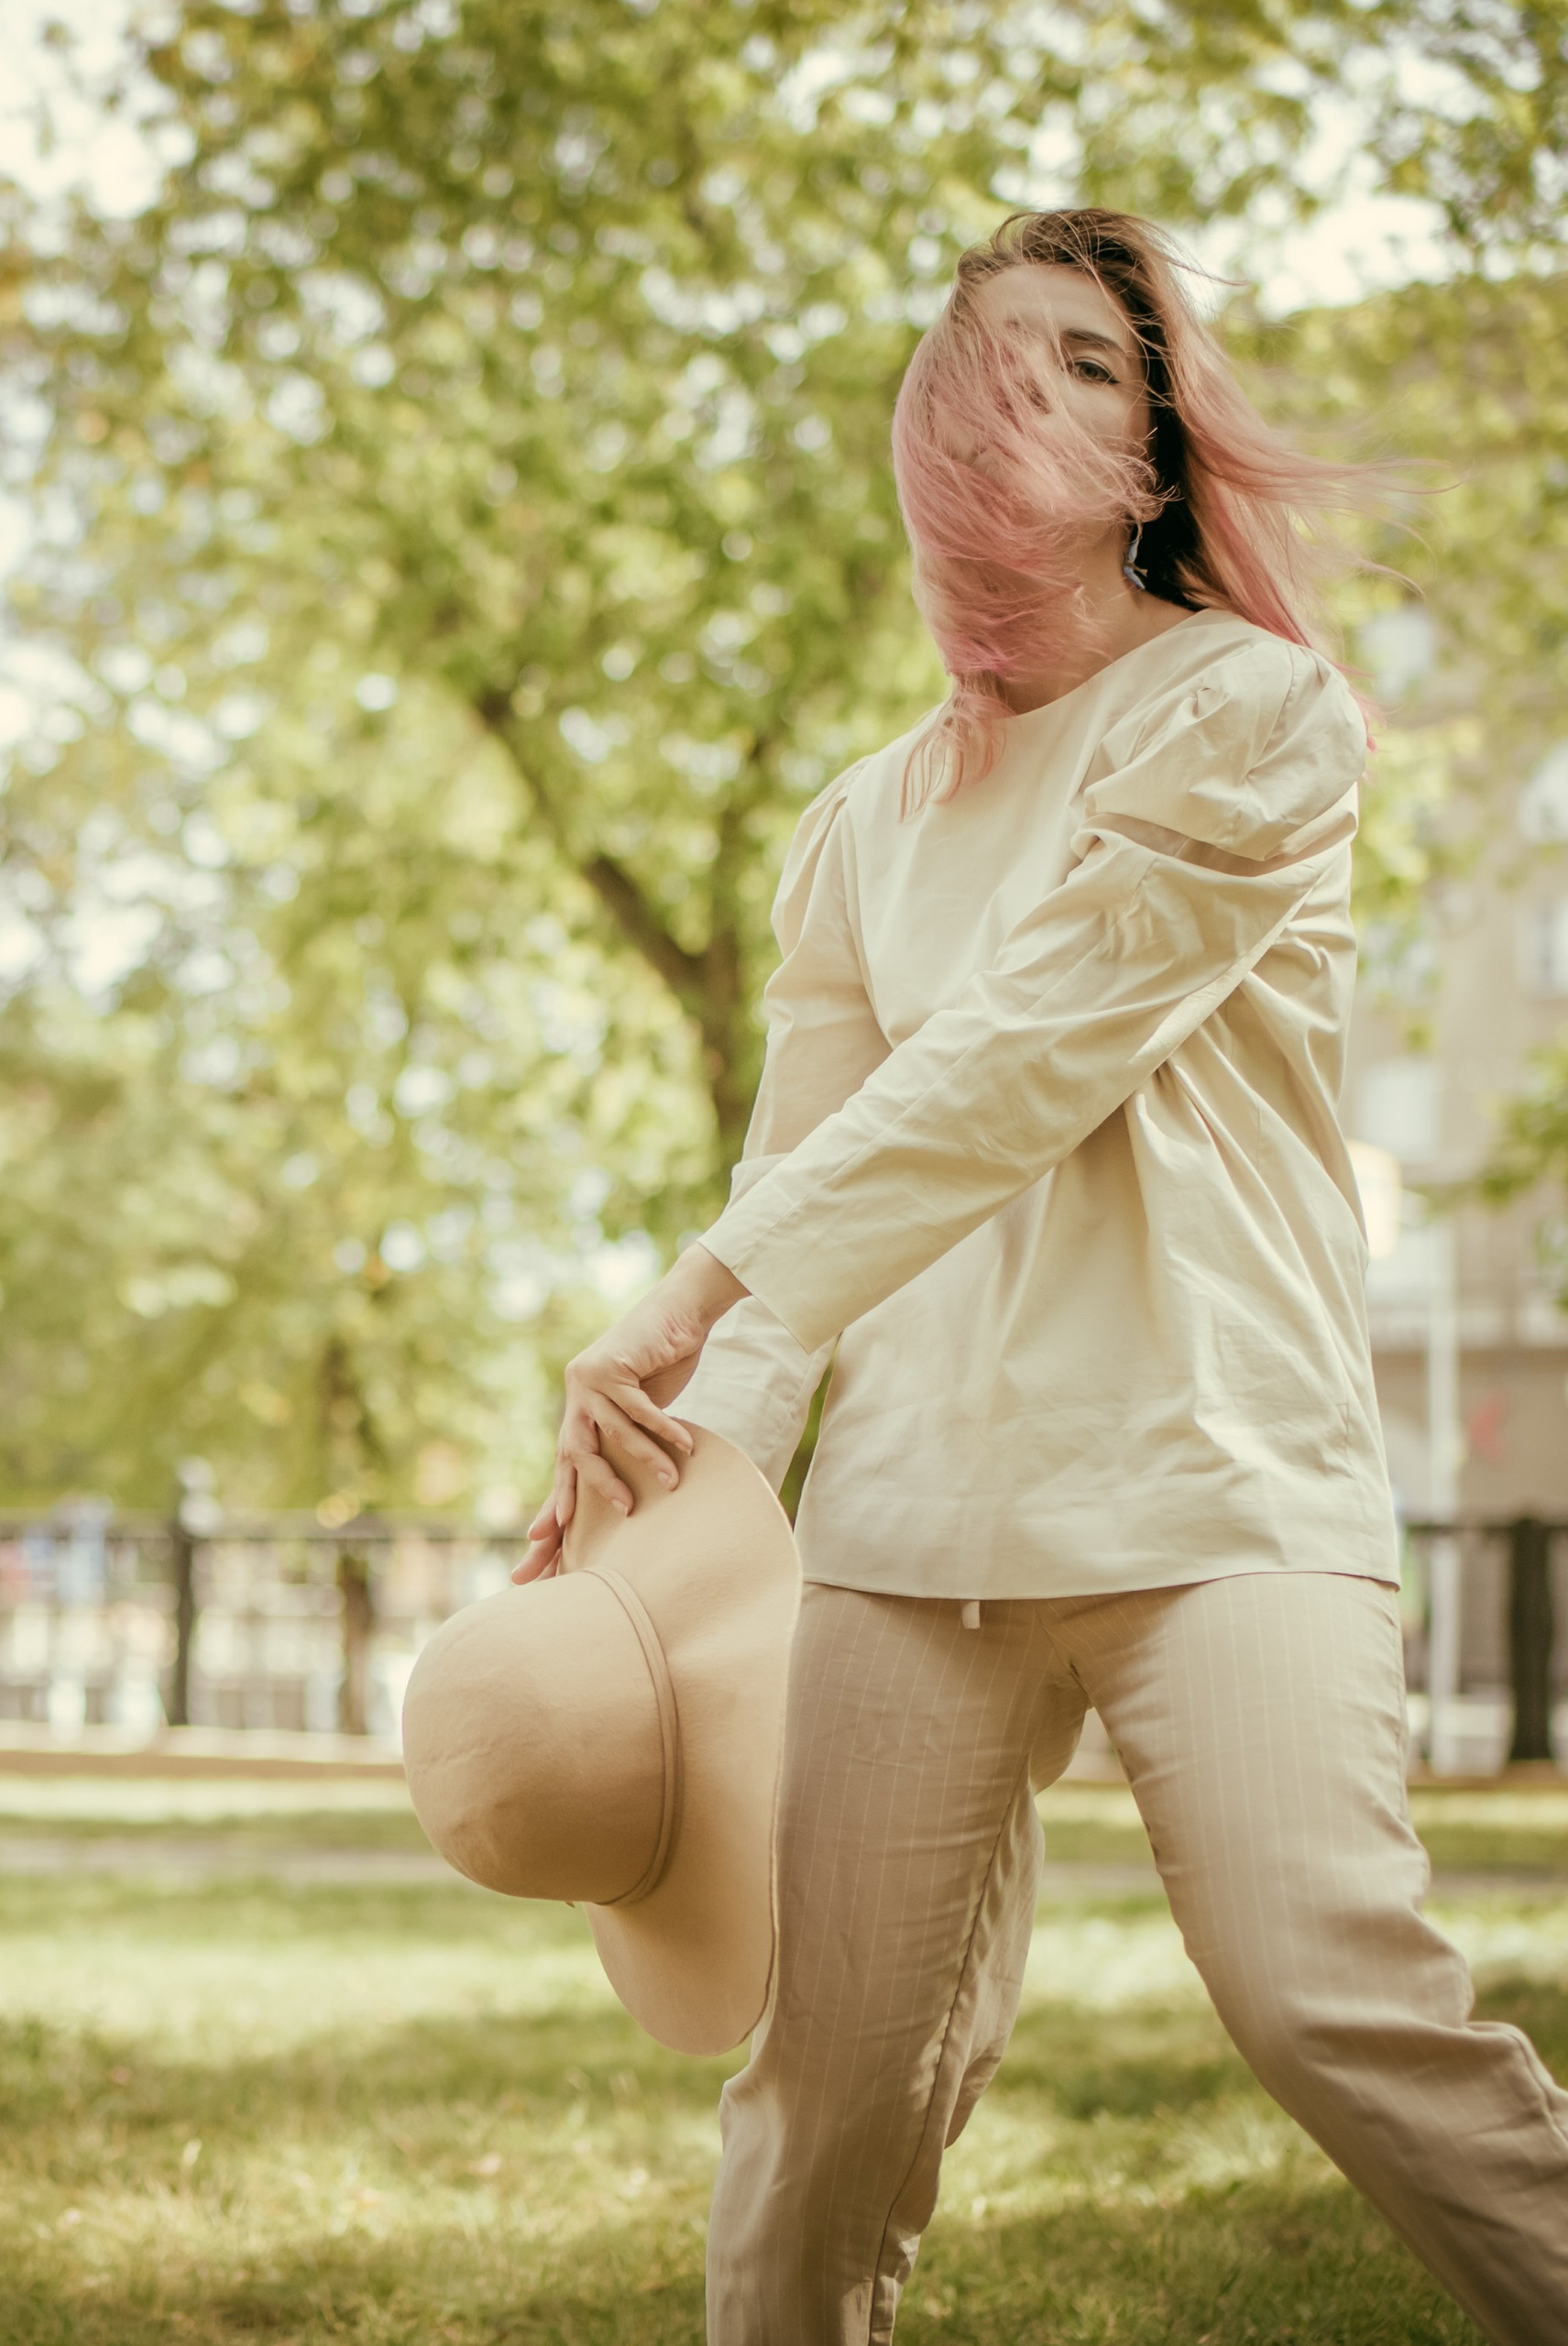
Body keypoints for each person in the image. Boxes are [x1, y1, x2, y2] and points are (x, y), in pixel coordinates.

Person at [514, 209, 1568, 2346]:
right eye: (996, 353)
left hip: (1214, 1476)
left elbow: (1026, 1051)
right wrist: (672, 1485)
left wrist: (687, 1282)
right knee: (827, 2094)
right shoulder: (855, 826)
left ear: (1155, 452)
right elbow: (803, 1181)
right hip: (911, 1525)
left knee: (1323, 1992)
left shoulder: (1255, 710)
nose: (1038, 388)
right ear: (929, 420)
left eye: (1091, 360)